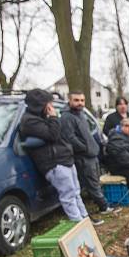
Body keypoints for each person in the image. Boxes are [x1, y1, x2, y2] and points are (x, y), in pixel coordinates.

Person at [19, 89, 100, 225]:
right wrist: (53, 117)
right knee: (68, 195)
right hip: (54, 163)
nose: (51, 107)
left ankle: (85, 219)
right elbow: (53, 135)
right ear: (40, 105)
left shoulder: (42, 117)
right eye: (48, 104)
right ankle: (79, 224)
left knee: (75, 192)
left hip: (65, 159)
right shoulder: (30, 121)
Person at [61, 91, 118, 215]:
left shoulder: (80, 114)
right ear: (69, 100)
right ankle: (104, 207)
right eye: (76, 100)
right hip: (83, 156)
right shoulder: (67, 117)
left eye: (82, 100)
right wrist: (85, 148)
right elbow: (70, 138)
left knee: (95, 181)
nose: (80, 103)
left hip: (92, 154)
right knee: (92, 183)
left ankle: (101, 203)